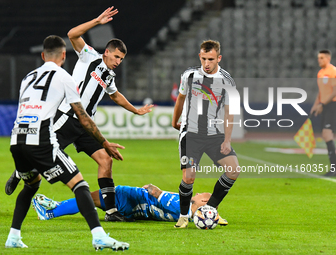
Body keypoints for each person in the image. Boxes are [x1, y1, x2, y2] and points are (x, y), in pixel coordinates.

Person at [5, 7, 153, 222]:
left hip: (86, 125)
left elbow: (116, 96)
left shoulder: (109, 76)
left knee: (105, 161)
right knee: (43, 156)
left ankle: (111, 211)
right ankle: (20, 172)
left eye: (121, 59)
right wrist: (97, 21)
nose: (118, 61)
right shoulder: (89, 57)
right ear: (107, 52)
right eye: (117, 56)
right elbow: (73, 34)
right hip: (67, 118)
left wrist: (136, 110)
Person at [5, 35, 128, 251]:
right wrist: (105, 141)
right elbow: (82, 116)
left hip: (17, 138)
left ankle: (13, 237)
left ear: (42, 56)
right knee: (80, 184)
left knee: (31, 185)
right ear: (64, 55)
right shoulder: (65, 77)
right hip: (43, 138)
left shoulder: (27, 77)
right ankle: (98, 236)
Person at [172, 40, 240, 228]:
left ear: (219, 58)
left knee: (233, 170)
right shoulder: (189, 75)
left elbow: (229, 112)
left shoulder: (227, 80)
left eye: (210, 59)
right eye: (203, 59)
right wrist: (174, 121)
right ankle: (184, 216)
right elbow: (181, 98)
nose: (206, 64)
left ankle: (211, 211)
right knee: (189, 178)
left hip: (215, 135)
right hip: (191, 134)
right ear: (199, 57)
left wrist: (227, 140)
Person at [30, 184, 228, 225]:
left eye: (204, 194)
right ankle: (56, 206)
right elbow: (214, 218)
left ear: (202, 201)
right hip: (139, 211)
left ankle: (51, 212)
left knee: (90, 197)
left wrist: (152, 187)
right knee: (95, 201)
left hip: (133, 197)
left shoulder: (180, 203)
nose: (202, 192)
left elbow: (157, 194)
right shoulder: (193, 216)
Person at [310, 49, 336, 177]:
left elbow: (334, 91)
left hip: (332, 105)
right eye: (318, 58)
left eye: (322, 58)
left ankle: (334, 168)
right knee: (326, 135)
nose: (319, 60)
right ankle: (333, 167)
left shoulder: (333, 71)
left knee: (327, 134)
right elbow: (321, 92)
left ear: (328, 58)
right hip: (324, 105)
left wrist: (322, 104)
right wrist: (316, 105)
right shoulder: (320, 73)